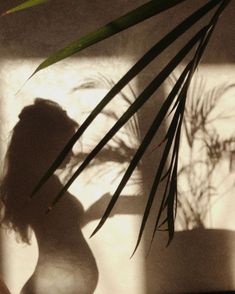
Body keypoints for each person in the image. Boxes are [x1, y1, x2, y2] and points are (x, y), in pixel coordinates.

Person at [0, 99, 98, 294]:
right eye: (67, 145)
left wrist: (96, 212)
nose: (72, 153)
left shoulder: (42, 184)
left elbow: (61, 231)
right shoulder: (40, 186)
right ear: (47, 145)